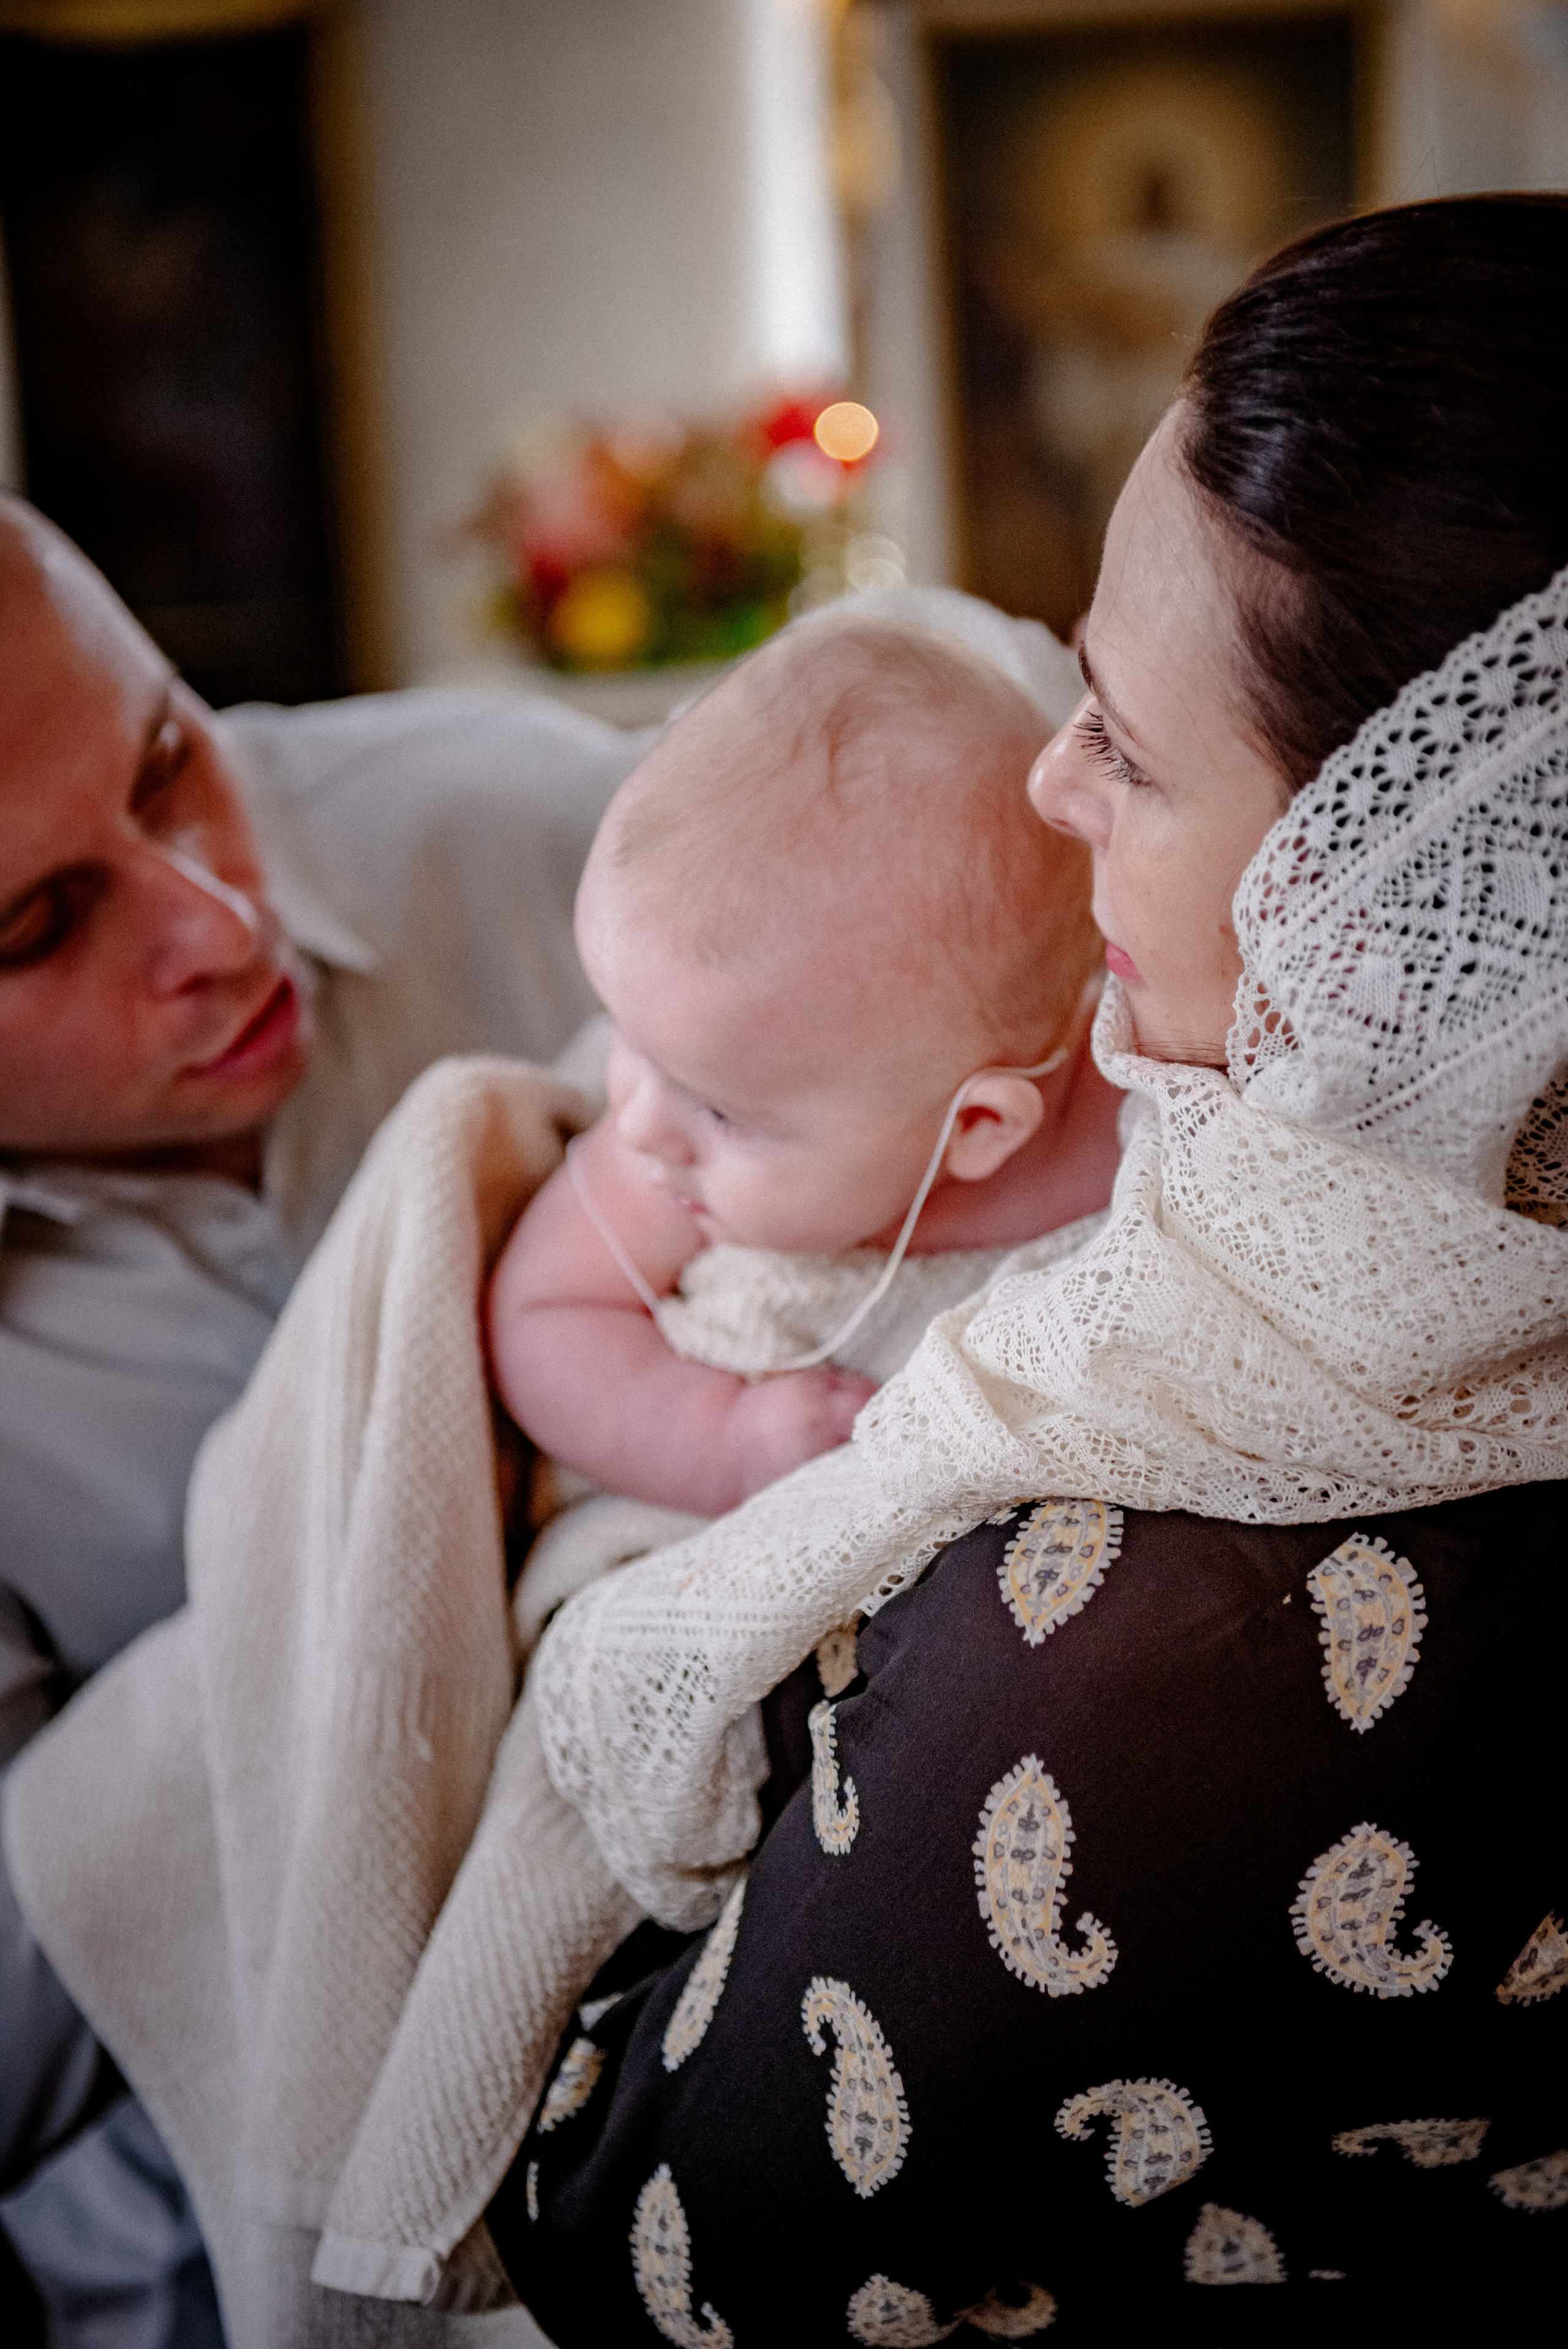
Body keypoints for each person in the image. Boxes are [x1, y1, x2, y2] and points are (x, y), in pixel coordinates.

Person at [490, 194, 1568, 2339]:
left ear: (1389, 912)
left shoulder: (1146, 1648)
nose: (1053, 785)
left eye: (1131, 748)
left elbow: (636, 2247)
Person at [0, 496, 649, 2343]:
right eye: (40, 923)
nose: (217, 918)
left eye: (168, 757)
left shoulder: (535, 829)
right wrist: (387, 1535)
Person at [489, 619, 1120, 1518]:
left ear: (977, 1125)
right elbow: (542, 1317)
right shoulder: (657, 1171)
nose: (635, 1118)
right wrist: (720, 1438)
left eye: (719, 1112)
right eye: (627, 1040)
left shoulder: (1128, 1112)